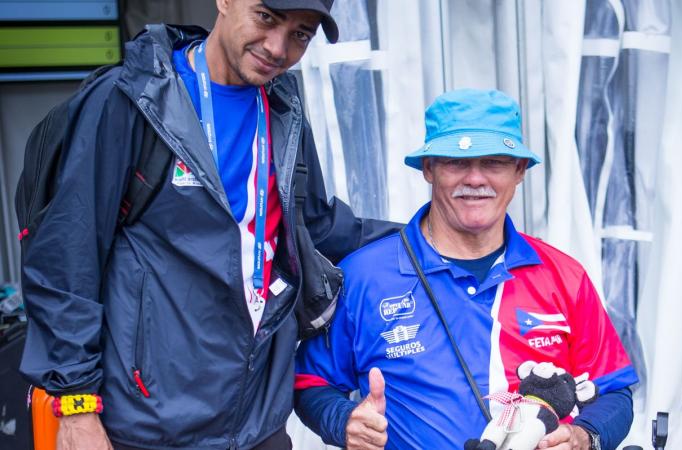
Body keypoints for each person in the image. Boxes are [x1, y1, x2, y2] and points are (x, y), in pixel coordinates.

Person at [18, 1, 397, 449]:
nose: (277, 47)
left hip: (257, 425)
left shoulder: (281, 107)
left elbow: (316, 224)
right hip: (147, 428)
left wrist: (425, 237)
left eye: (300, 34)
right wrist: (77, 408)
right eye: (267, 18)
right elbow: (66, 257)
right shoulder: (132, 99)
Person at [294, 89, 639, 450]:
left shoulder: (564, 275)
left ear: (519, 171)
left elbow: (614, 390)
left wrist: (583, 437)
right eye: (456, 162)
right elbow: (309, 382)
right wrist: (345, 421)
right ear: (429, 169)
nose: (475, 179)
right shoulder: (364, 276)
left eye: (494, 162)